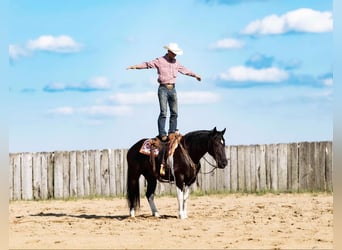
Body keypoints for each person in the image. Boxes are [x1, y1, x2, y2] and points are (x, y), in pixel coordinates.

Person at [126, 42, 201, 141]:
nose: (175, 55)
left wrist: (195, 75)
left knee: (174, 112)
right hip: (163, 89)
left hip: (173, 89)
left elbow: (185, 70)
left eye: (176, 53)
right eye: (173, 52)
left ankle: (172, 132)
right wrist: (135, 66)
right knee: (164, 112)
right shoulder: (160, 61)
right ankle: (162, 133)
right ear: (168, 51)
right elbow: (147, 64)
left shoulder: (176, 63)